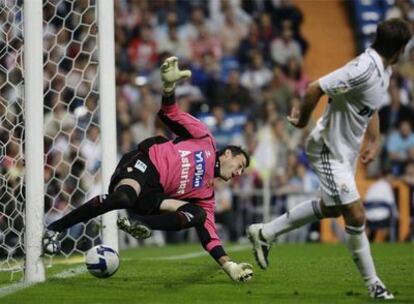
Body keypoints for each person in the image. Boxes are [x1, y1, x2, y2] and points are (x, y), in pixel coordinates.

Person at [44, 56, 253, 283]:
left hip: (154, 198)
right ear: (228, 154)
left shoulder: (206, 195)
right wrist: (169, 87)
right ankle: (55, 227)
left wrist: (229, 265)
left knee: (199, 214)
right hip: (146, 163)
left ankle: (141, 225)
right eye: (240, 165)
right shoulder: (204, 138)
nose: (238, 172)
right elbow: (169, 114)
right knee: (123, 197)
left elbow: (210, 238)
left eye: (242, 171)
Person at [247, 18, 411, 299]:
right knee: (356, 214)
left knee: (333, 208)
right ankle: (374, 285)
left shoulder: (385, 70)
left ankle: (265, 233)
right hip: (327, 148)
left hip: (344, 152)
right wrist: (301, 123)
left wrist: (375, 139)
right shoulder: (362, 68)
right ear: (399, 49)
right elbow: (314, 88)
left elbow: (370, 108)